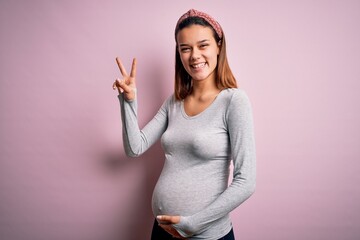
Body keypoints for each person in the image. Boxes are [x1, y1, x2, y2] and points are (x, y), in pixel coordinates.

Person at [112, 9, 256, 240]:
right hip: (161, 231)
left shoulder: (234, 101)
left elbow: (246, 182)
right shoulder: (174, 102)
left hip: (204, 235)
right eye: (185, 48)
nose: (194, 55)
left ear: (219, 46)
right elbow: (134, 148)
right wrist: (129, 101)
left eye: (203, 45)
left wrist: (192, 224)